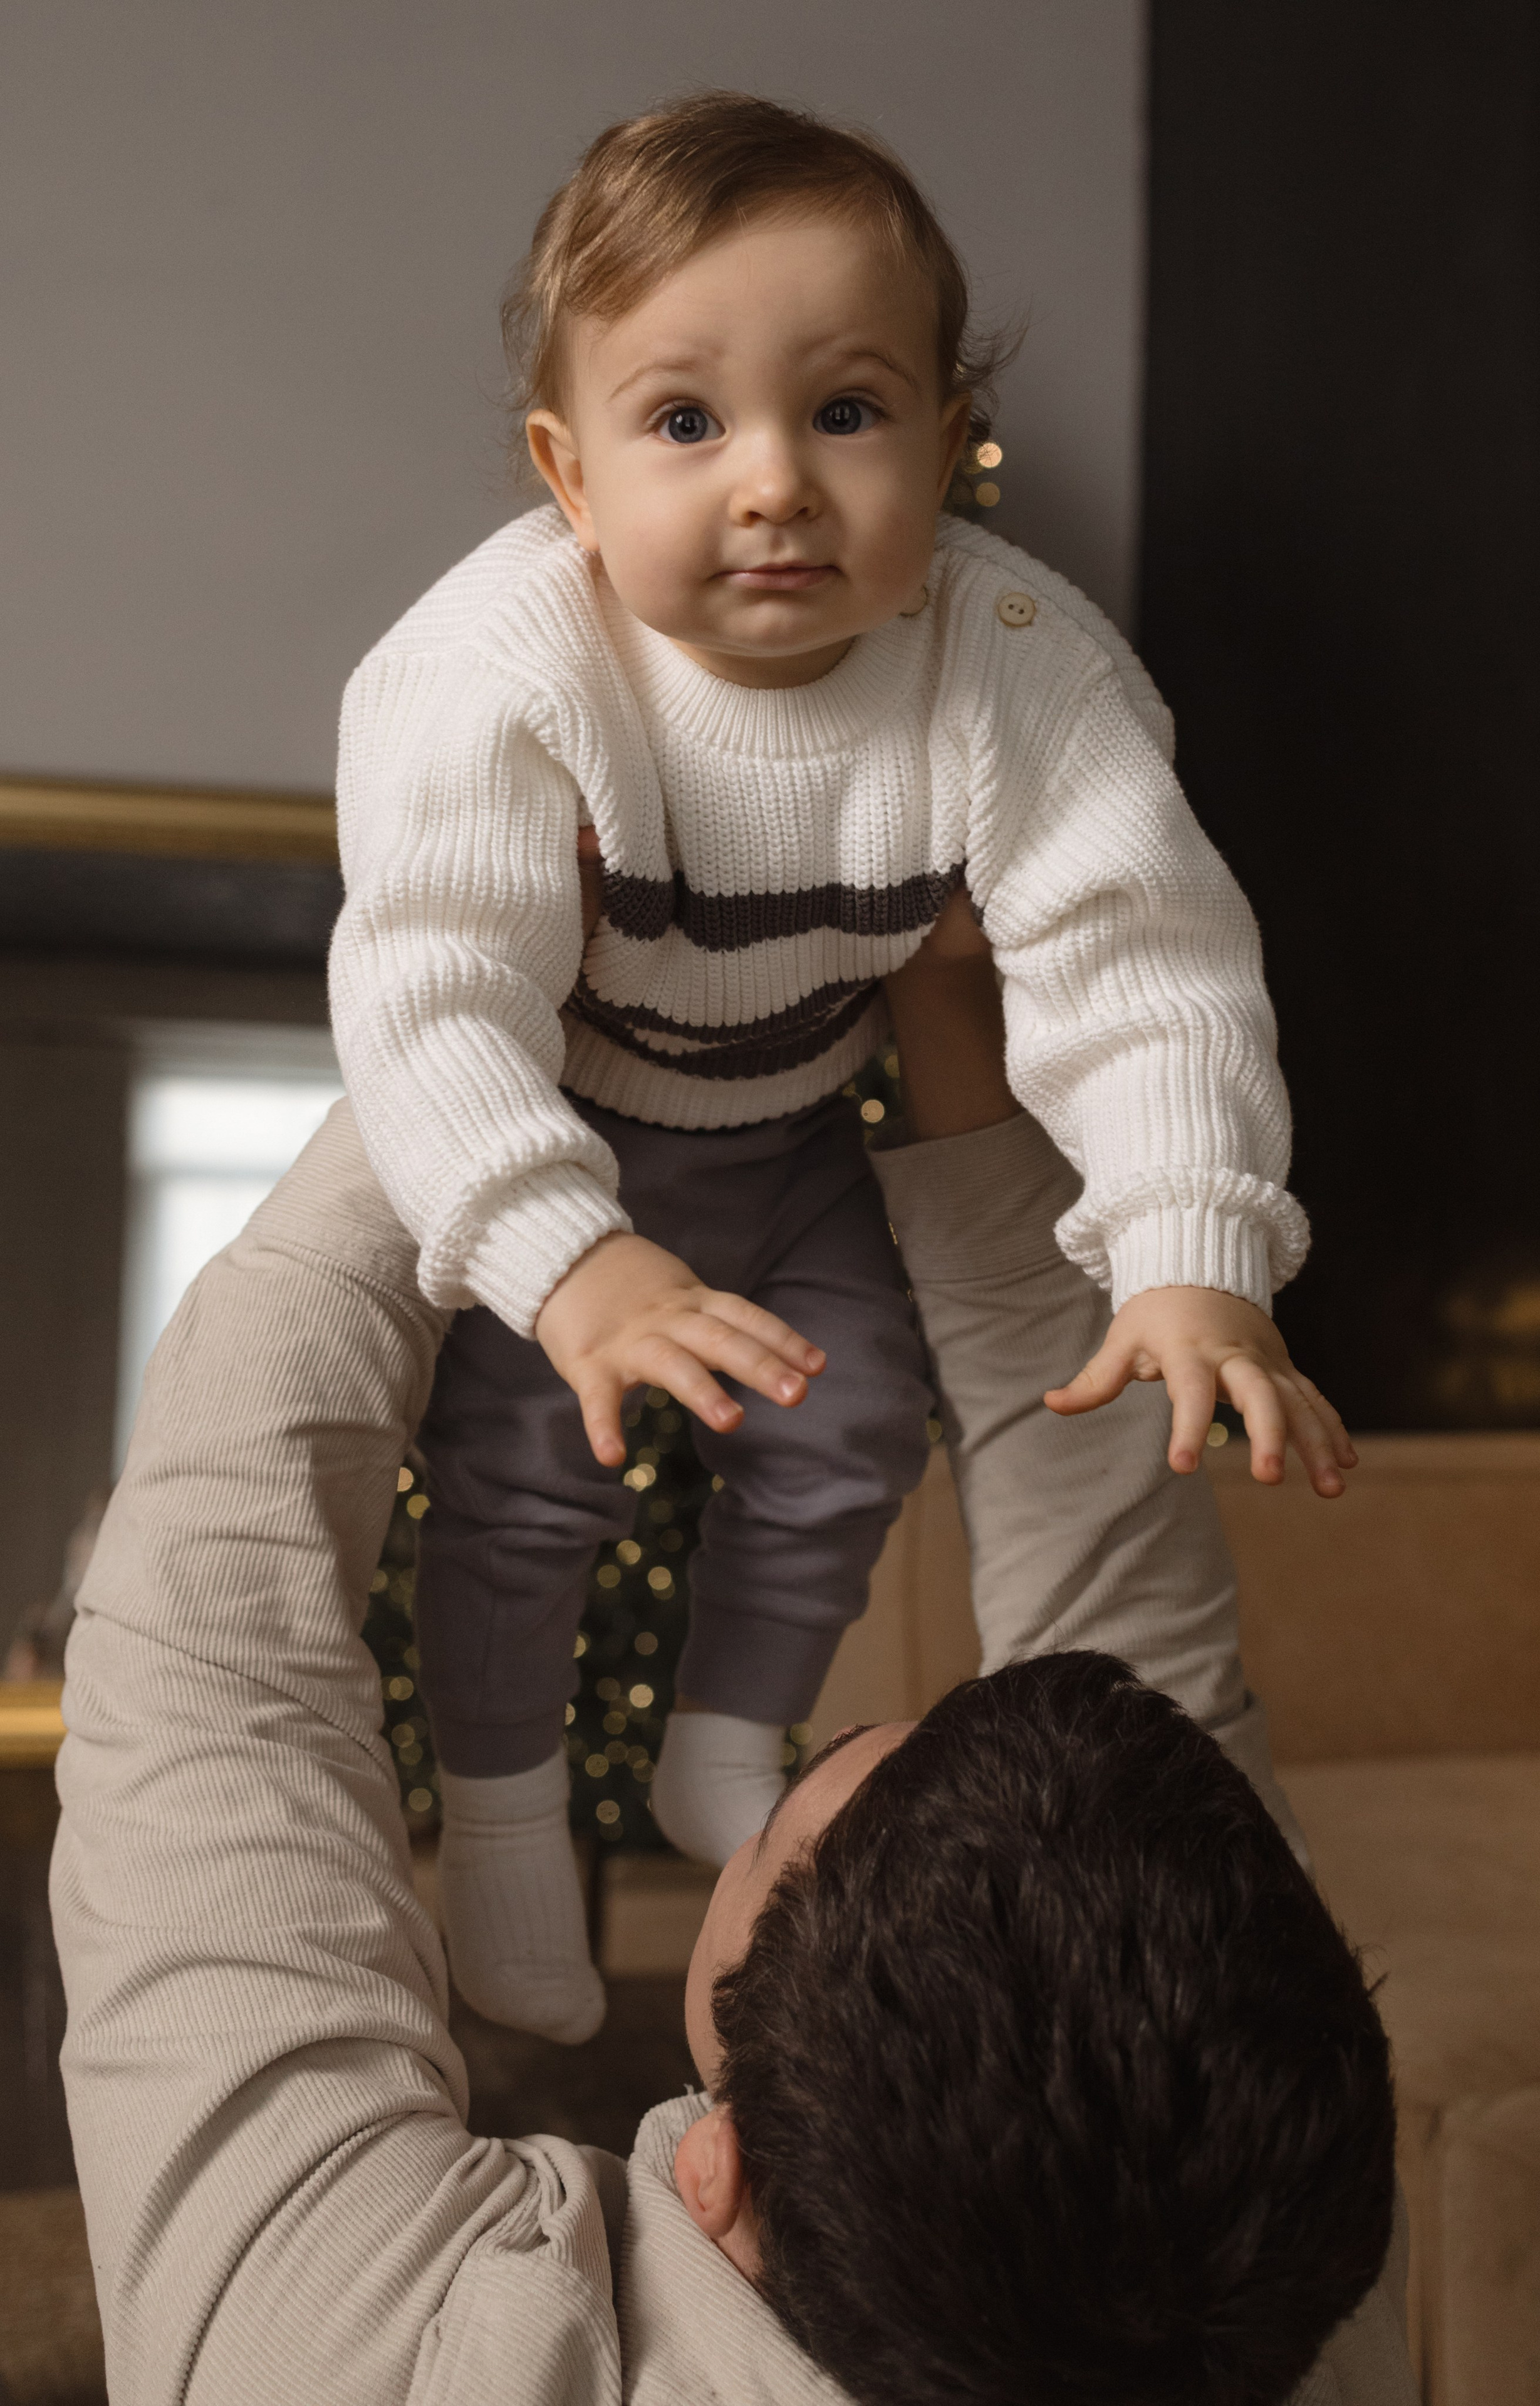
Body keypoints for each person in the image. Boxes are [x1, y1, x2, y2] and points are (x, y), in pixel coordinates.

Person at [327, 91, 1351, 2036]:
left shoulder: (1015, 660)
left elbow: (1143, 960)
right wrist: (572, 1258)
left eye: (850, 412)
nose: (776, 484)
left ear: (955, 444)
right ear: (570, 473)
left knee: (860, 1413)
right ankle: (508, 1808)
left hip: (795, 1129)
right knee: (534, 1475)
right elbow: (430, 995)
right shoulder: (496, 678)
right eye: (687, 423)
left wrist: (1191, 1250)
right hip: (584, 1133)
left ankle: (728, 1730)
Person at [51, 1101, 1413, 2405]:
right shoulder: (1271, 2275)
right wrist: (962, 1058)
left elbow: (206, 1656)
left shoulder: (349, 2363)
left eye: (769, 1833)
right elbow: (1126, 1595)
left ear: (722, 2171)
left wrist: (468, 1071)